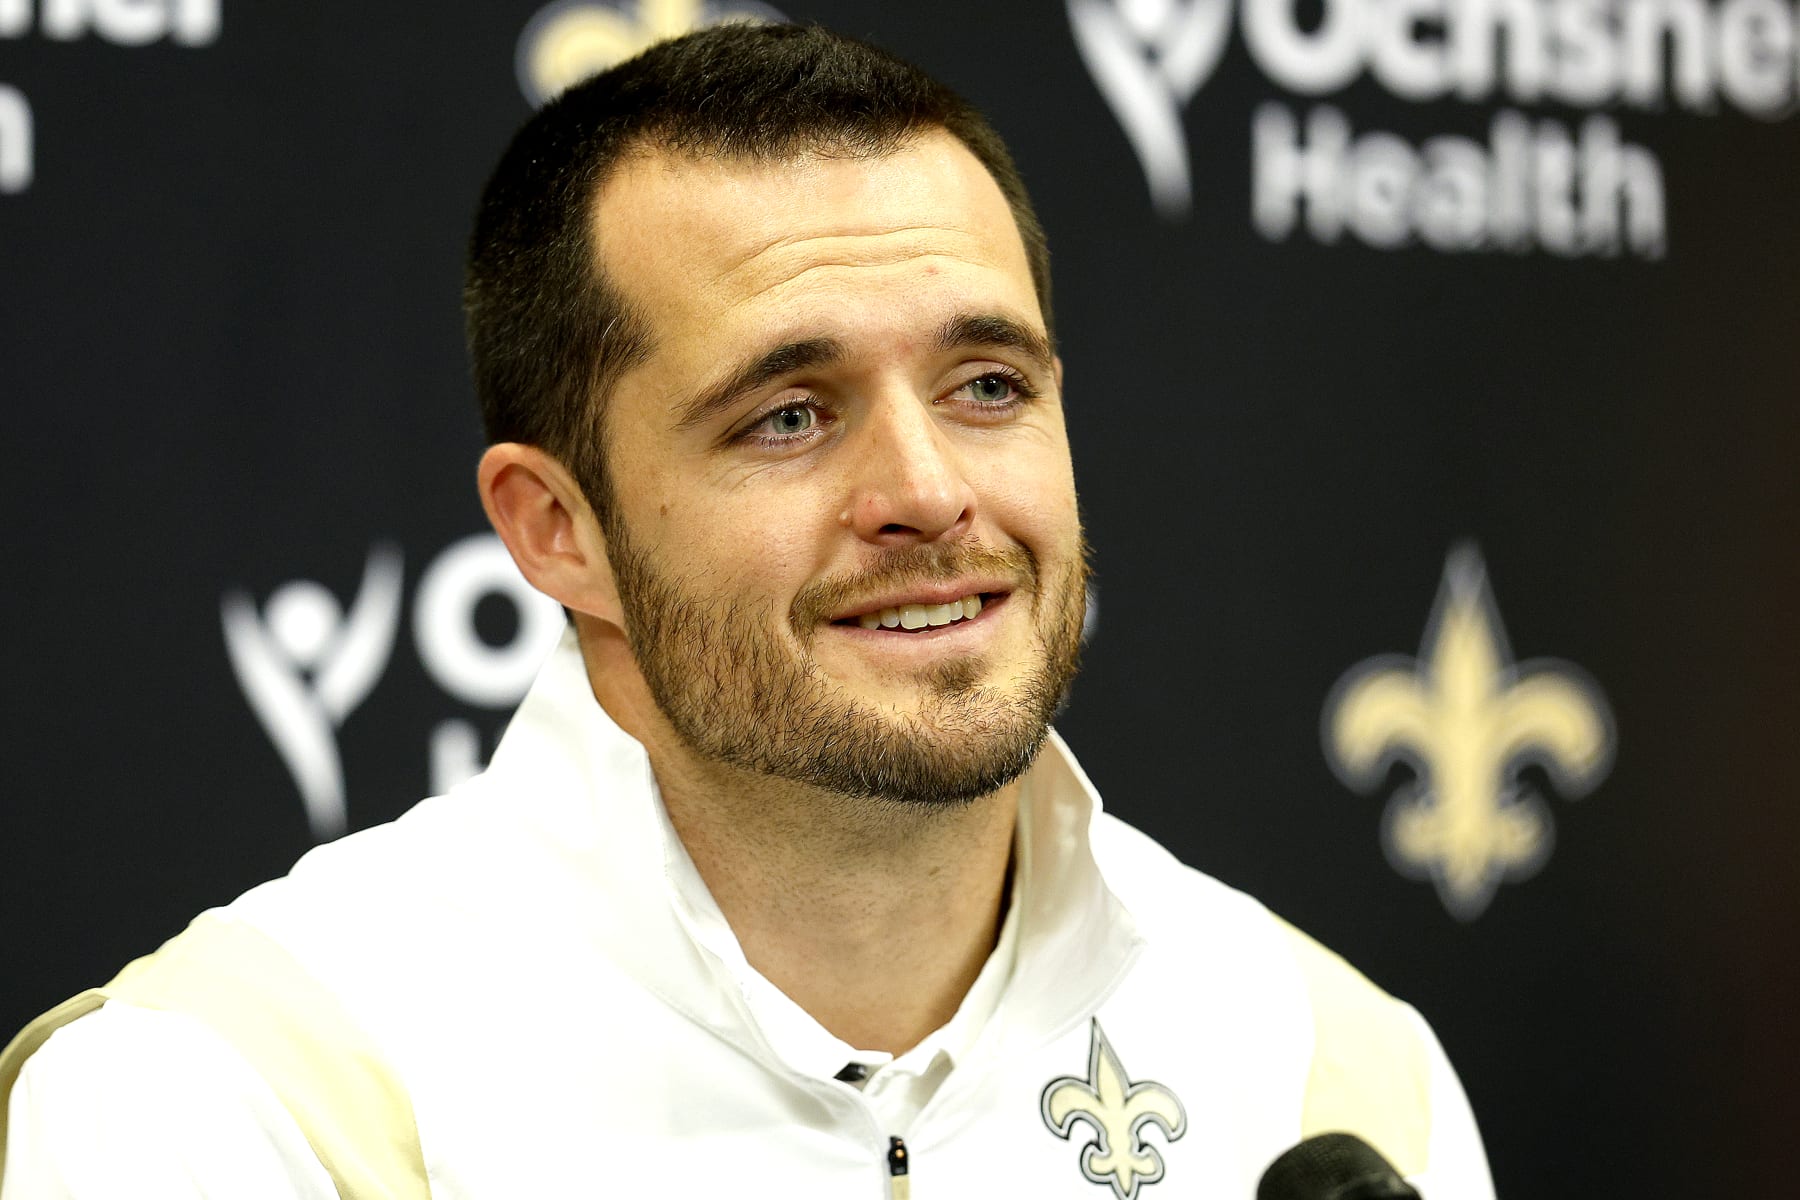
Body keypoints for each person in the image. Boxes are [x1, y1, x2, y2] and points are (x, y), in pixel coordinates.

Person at [0, 23, 1494, 1198]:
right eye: (787, 414)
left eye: (988, 386)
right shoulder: (240, 1104)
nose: (924, 490)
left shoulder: (1334, 1085)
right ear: (556, 529)